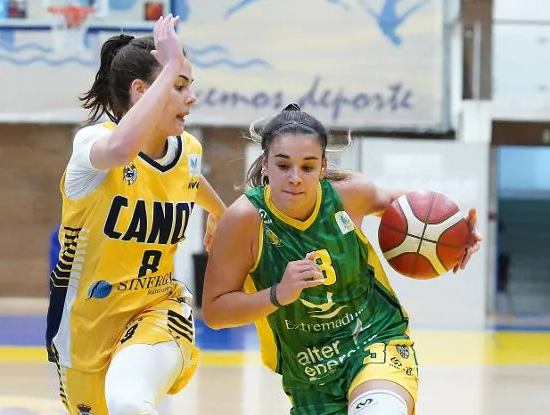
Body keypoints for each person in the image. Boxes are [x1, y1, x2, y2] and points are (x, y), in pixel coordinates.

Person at [202, 103, 481, 415]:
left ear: (323, 166)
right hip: (309, 375)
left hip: (375, 340)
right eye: (283, 166)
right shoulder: (244, 220)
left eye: (307, 167)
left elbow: (400, 204)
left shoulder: (349, 194)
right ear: (265, 163)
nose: (295, 177)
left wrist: (454, 233)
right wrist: (278, 294)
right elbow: (215, 312)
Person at [46, 15, 225, 415]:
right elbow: (122, 150)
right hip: (85, 325)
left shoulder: (189, 150)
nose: (190, 97)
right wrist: (170, 70)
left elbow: (190, 183)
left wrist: (220, 213)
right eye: (179, 85)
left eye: (188, 85)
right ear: (140, 90)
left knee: (129, 401)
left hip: (158, 307)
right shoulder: (92, 143)